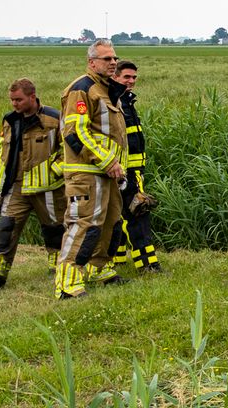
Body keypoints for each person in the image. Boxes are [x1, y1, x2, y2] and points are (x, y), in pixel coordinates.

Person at [0, 79, 66, 290]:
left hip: (48, 188)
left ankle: (59, 267)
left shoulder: (54, 118)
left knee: (55, 229)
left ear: (32, 96)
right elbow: (3, 153)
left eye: (19, 100)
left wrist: (54, 172)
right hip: (16, 186)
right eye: (12, 100)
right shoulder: (8, 120)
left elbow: (68, 151)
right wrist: (2, 184)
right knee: (6, 227)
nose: (14, 104)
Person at [55, 39, 128, 299]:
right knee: (84, 224)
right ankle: (67, 281)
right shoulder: (81, 89)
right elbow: (75, 133)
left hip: (110, 173)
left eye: (114, 58)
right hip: (87, 172)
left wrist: (118, 167)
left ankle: (100, 269)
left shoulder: (107, 90)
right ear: (91, 62)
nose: (113, 62)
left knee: (111, 223)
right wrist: (107, 161)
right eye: (106, 58)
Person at [110, 60, 161, 273]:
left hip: (131, 170)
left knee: (120, 215)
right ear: (115, 77)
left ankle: (117, 258)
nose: (131, 81)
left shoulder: (126, 101)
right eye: (126, 77)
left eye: (134, 78)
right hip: (125, 172)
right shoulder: (116, 102)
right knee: (138, 214)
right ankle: (148, 265)